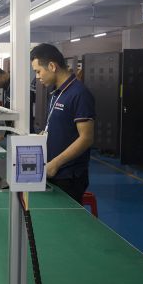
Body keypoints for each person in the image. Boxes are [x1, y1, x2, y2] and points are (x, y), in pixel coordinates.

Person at [30, 43, 95, 204]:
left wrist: (55, 164)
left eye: (38, 71)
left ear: (52, 66)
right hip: (53, 170)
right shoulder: (56, 92)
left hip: (68, 175)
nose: (37, 77)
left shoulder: (79, 94)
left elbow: (86, 138)